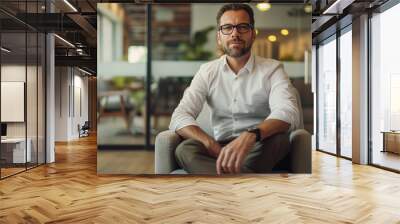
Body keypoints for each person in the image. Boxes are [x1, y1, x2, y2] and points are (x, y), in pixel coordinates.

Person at [169, 3, 301, 175]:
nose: (235, 33)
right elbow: (180, 115)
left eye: (243, 27)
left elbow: (287, 111)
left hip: (259, 145)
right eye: (227, 28)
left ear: (253, 34)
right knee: (185, 149)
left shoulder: (273, 69)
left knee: (279, 140)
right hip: (218, 149)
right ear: (219, 37)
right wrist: (210, 144)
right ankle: (243, 183)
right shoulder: (207, 71)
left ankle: (223, 185)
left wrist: (251, 135)